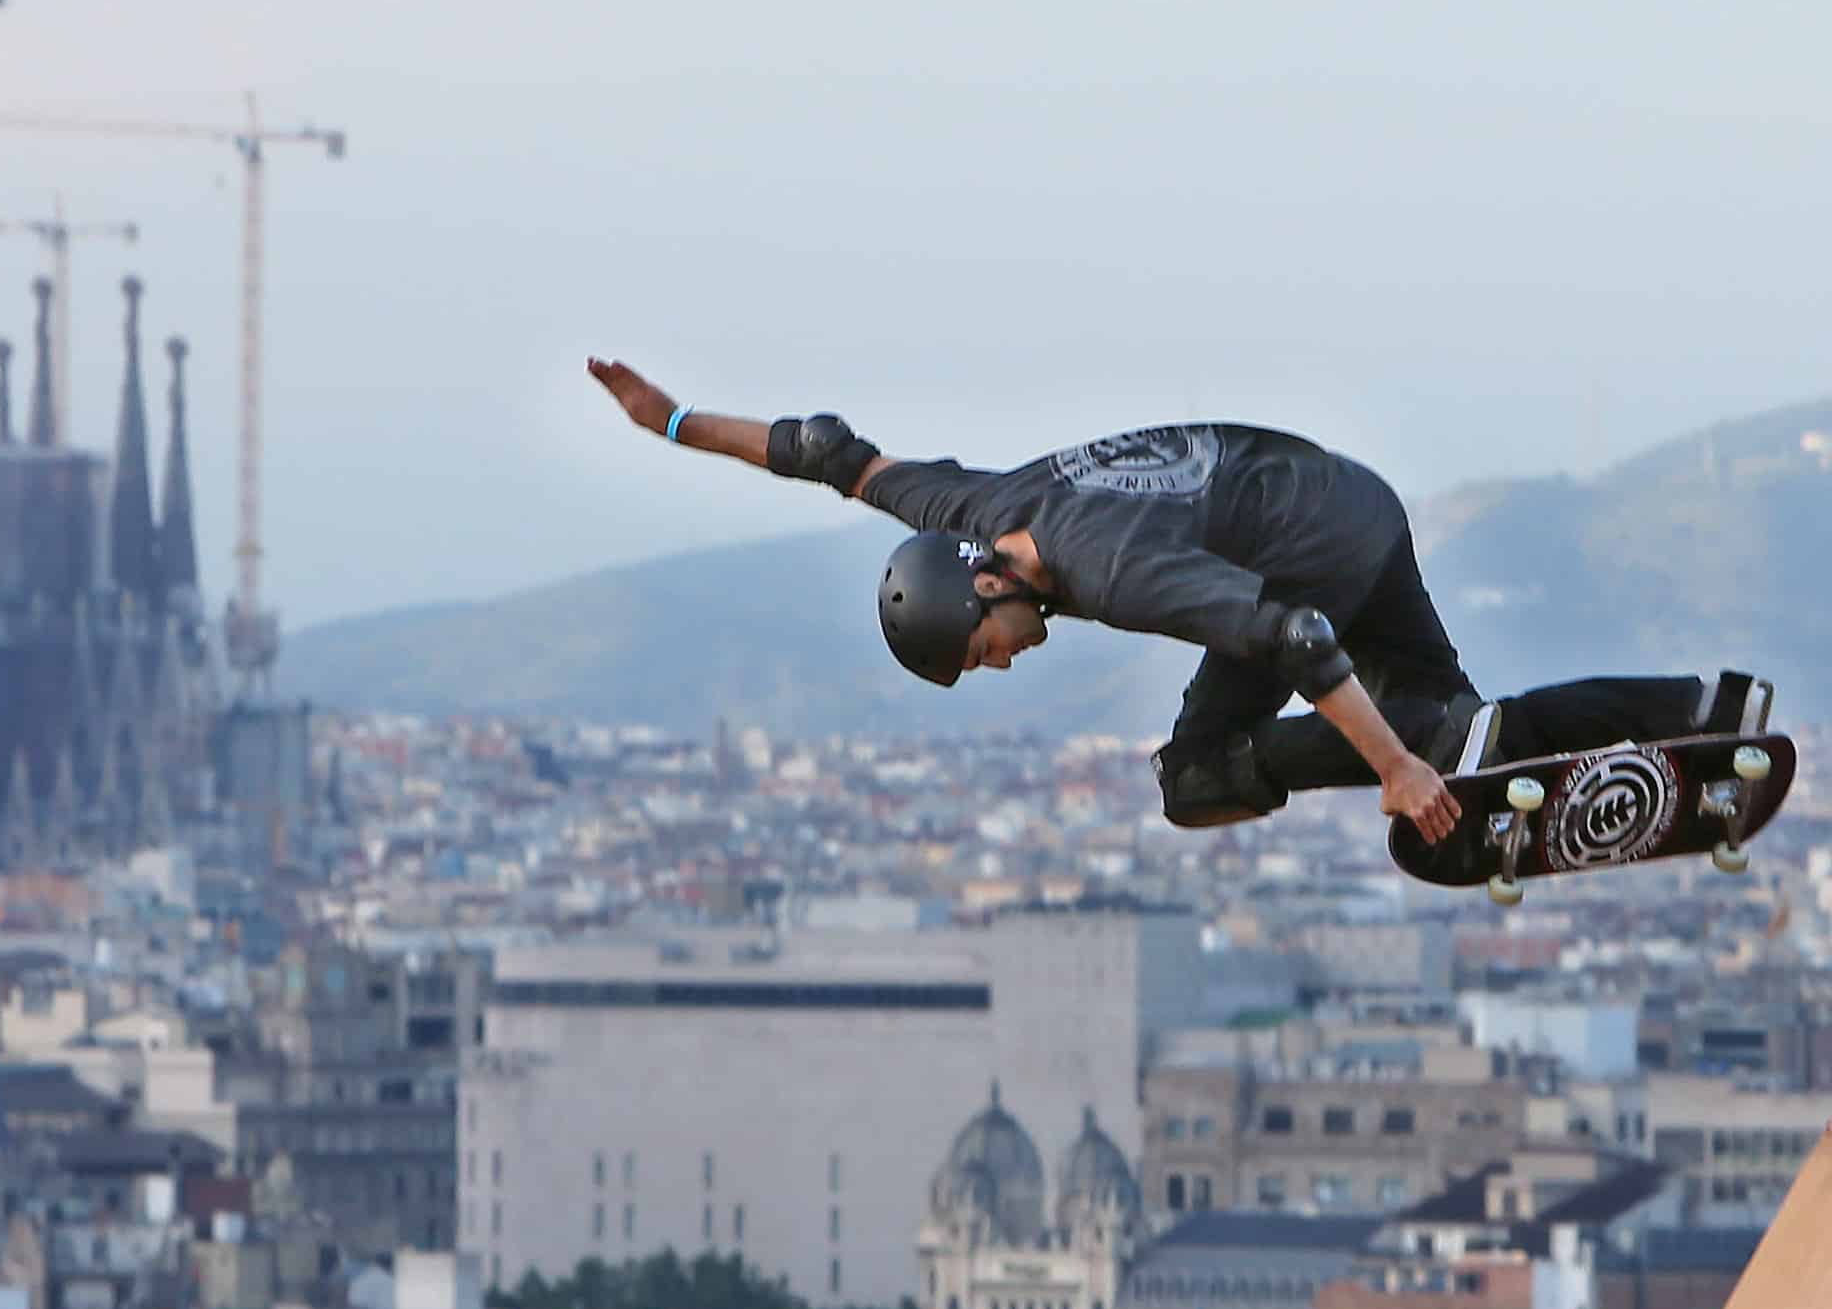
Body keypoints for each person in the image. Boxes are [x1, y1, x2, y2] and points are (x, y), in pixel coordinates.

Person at [585, 358, 1758, 842]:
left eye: (980, 649)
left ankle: (1430, 746)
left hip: (1311, 558)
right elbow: (828, 453)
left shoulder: (1108, 567)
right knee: (1460, 728)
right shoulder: (967, 511)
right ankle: (1709, 707)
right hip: (1345, 503)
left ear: (985, 584)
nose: (998, 663)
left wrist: (1394, 769)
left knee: (1195, 778)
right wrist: (674, 422)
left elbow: (1290, 633)